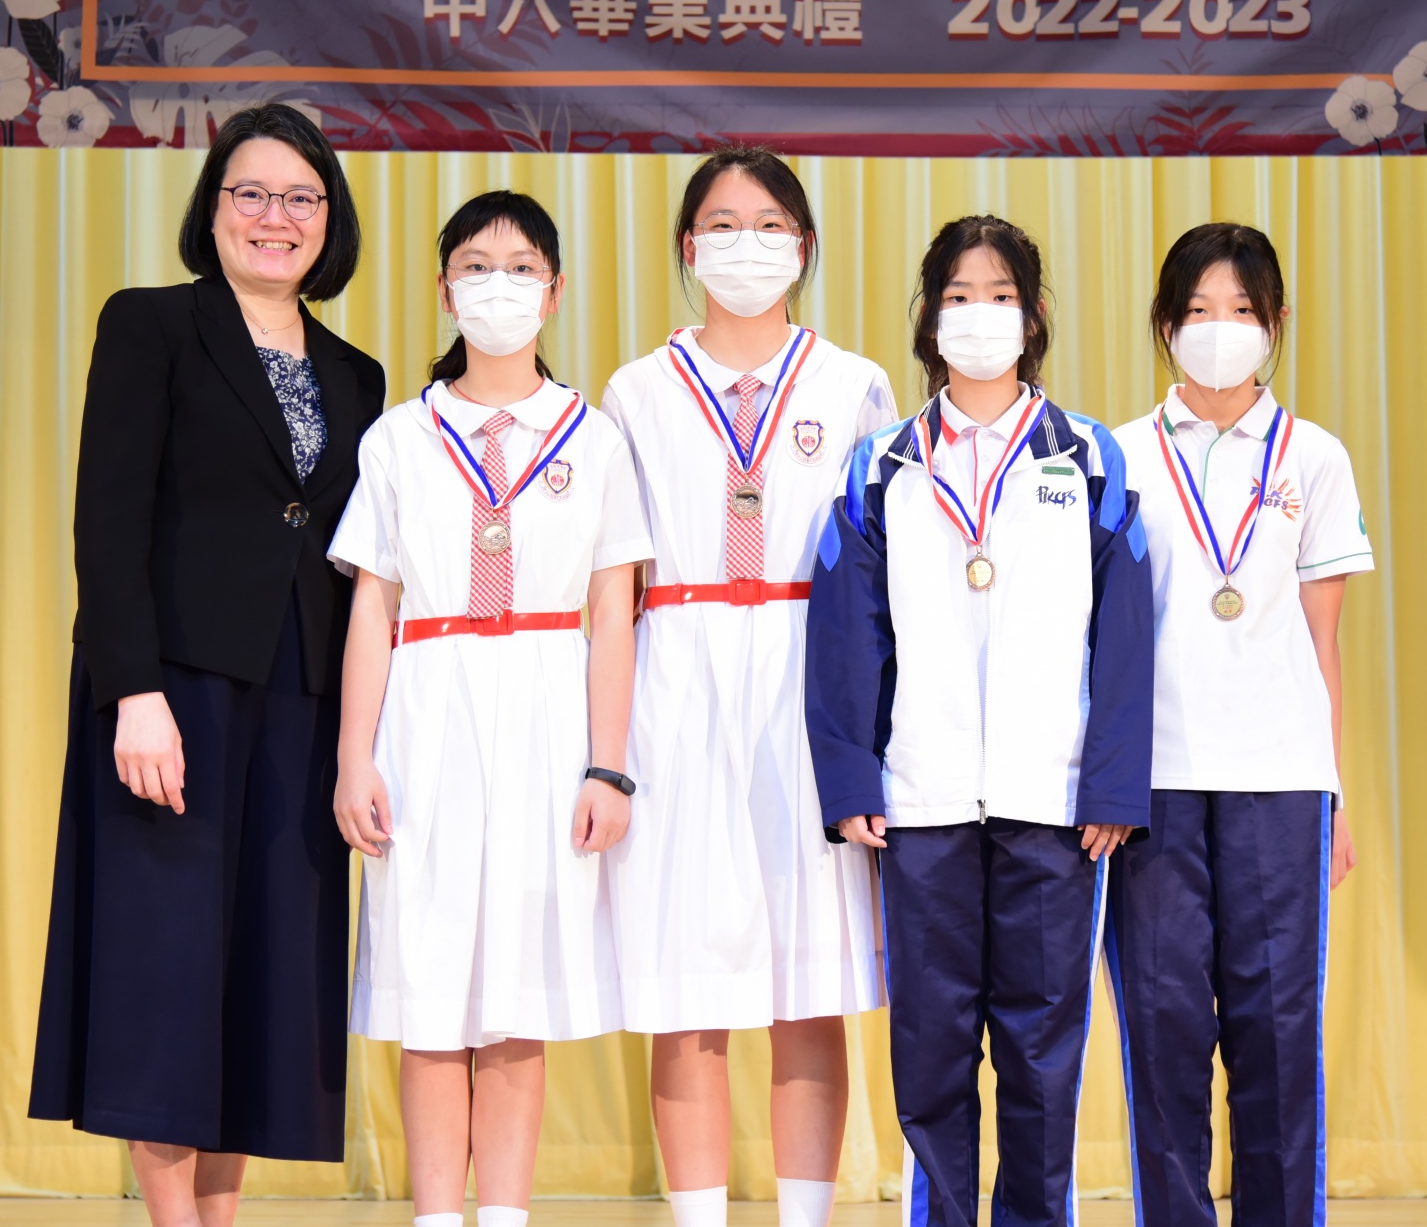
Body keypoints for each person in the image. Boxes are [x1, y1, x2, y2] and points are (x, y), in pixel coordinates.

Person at [29, 104, 385, 1225]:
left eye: (301, 198)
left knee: (264, 976)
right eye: (252, 193)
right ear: (215, 208)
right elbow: (107, 520)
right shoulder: (151, 325)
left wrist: (360, 740)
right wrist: (131, 692)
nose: (276, 218)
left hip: (302, 701)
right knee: (166, 968)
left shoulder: (359, 375)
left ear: (329, 219)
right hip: (173, 691)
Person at [804, 214, 1154, 1227]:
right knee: (932, 1047)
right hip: (922, 803)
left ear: (1033, 316)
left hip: (1054, 803)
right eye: (959, 296)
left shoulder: (1088, 457)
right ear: (929, 317)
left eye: (1000, 295)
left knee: (1043, 1050)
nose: (979, 314)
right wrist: (852, 779)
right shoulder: (881, 465)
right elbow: (846, 633)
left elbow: (1127, 632)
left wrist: (1112, 783)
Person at [328, 190, 650, 1227]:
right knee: (430, 989)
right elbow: (372, 607)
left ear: (553, 293)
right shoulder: (399, 437)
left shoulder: (595, 439)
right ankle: (436, 1215)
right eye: (476, 266)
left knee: (517, 995)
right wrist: (354, 758)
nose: (497, 286)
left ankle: (505, 1215)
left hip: (549, 714)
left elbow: (613, 613)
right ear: (443, 289)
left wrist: (608, 765)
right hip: (428, 711)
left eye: (520, 269)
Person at [600, 147, 897, 1227]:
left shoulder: (853, 383)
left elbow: (883, 574)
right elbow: (611, 580)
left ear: (804, 247)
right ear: (689, 247)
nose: (746, 244)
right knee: (688, 990)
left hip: (811, 680)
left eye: (770, 224)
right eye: (722, 224)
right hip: (676, 682)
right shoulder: (636, 391)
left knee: (809, 985)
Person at [1107, 222, 1371, 1227]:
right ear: (1165, 325)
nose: (1220, 329)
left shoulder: (1317, 457)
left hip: (1280, 780)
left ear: (1276, 322)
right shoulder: (1118, 456)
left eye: (1243, 311)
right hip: (1154, 784)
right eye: (1198, 311)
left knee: (1278, 1032)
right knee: (1163, 1031)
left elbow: (1322, 643)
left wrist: (1335, 794)